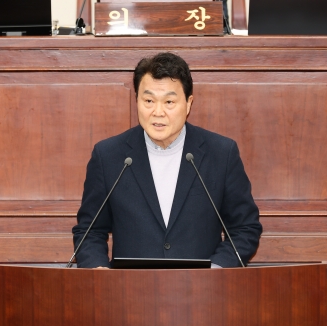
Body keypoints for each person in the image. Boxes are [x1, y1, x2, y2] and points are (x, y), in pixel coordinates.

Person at [72, 52, 262, 268]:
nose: (158, 112)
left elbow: (245, 228)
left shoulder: (221, 153)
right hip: (130, 286)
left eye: (169, 102)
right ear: (137, 101)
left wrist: (215, 270)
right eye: (149, 101)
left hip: (201, 286)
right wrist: (98, 270)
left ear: (188, 104)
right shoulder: (108, 155)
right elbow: (89, 231)